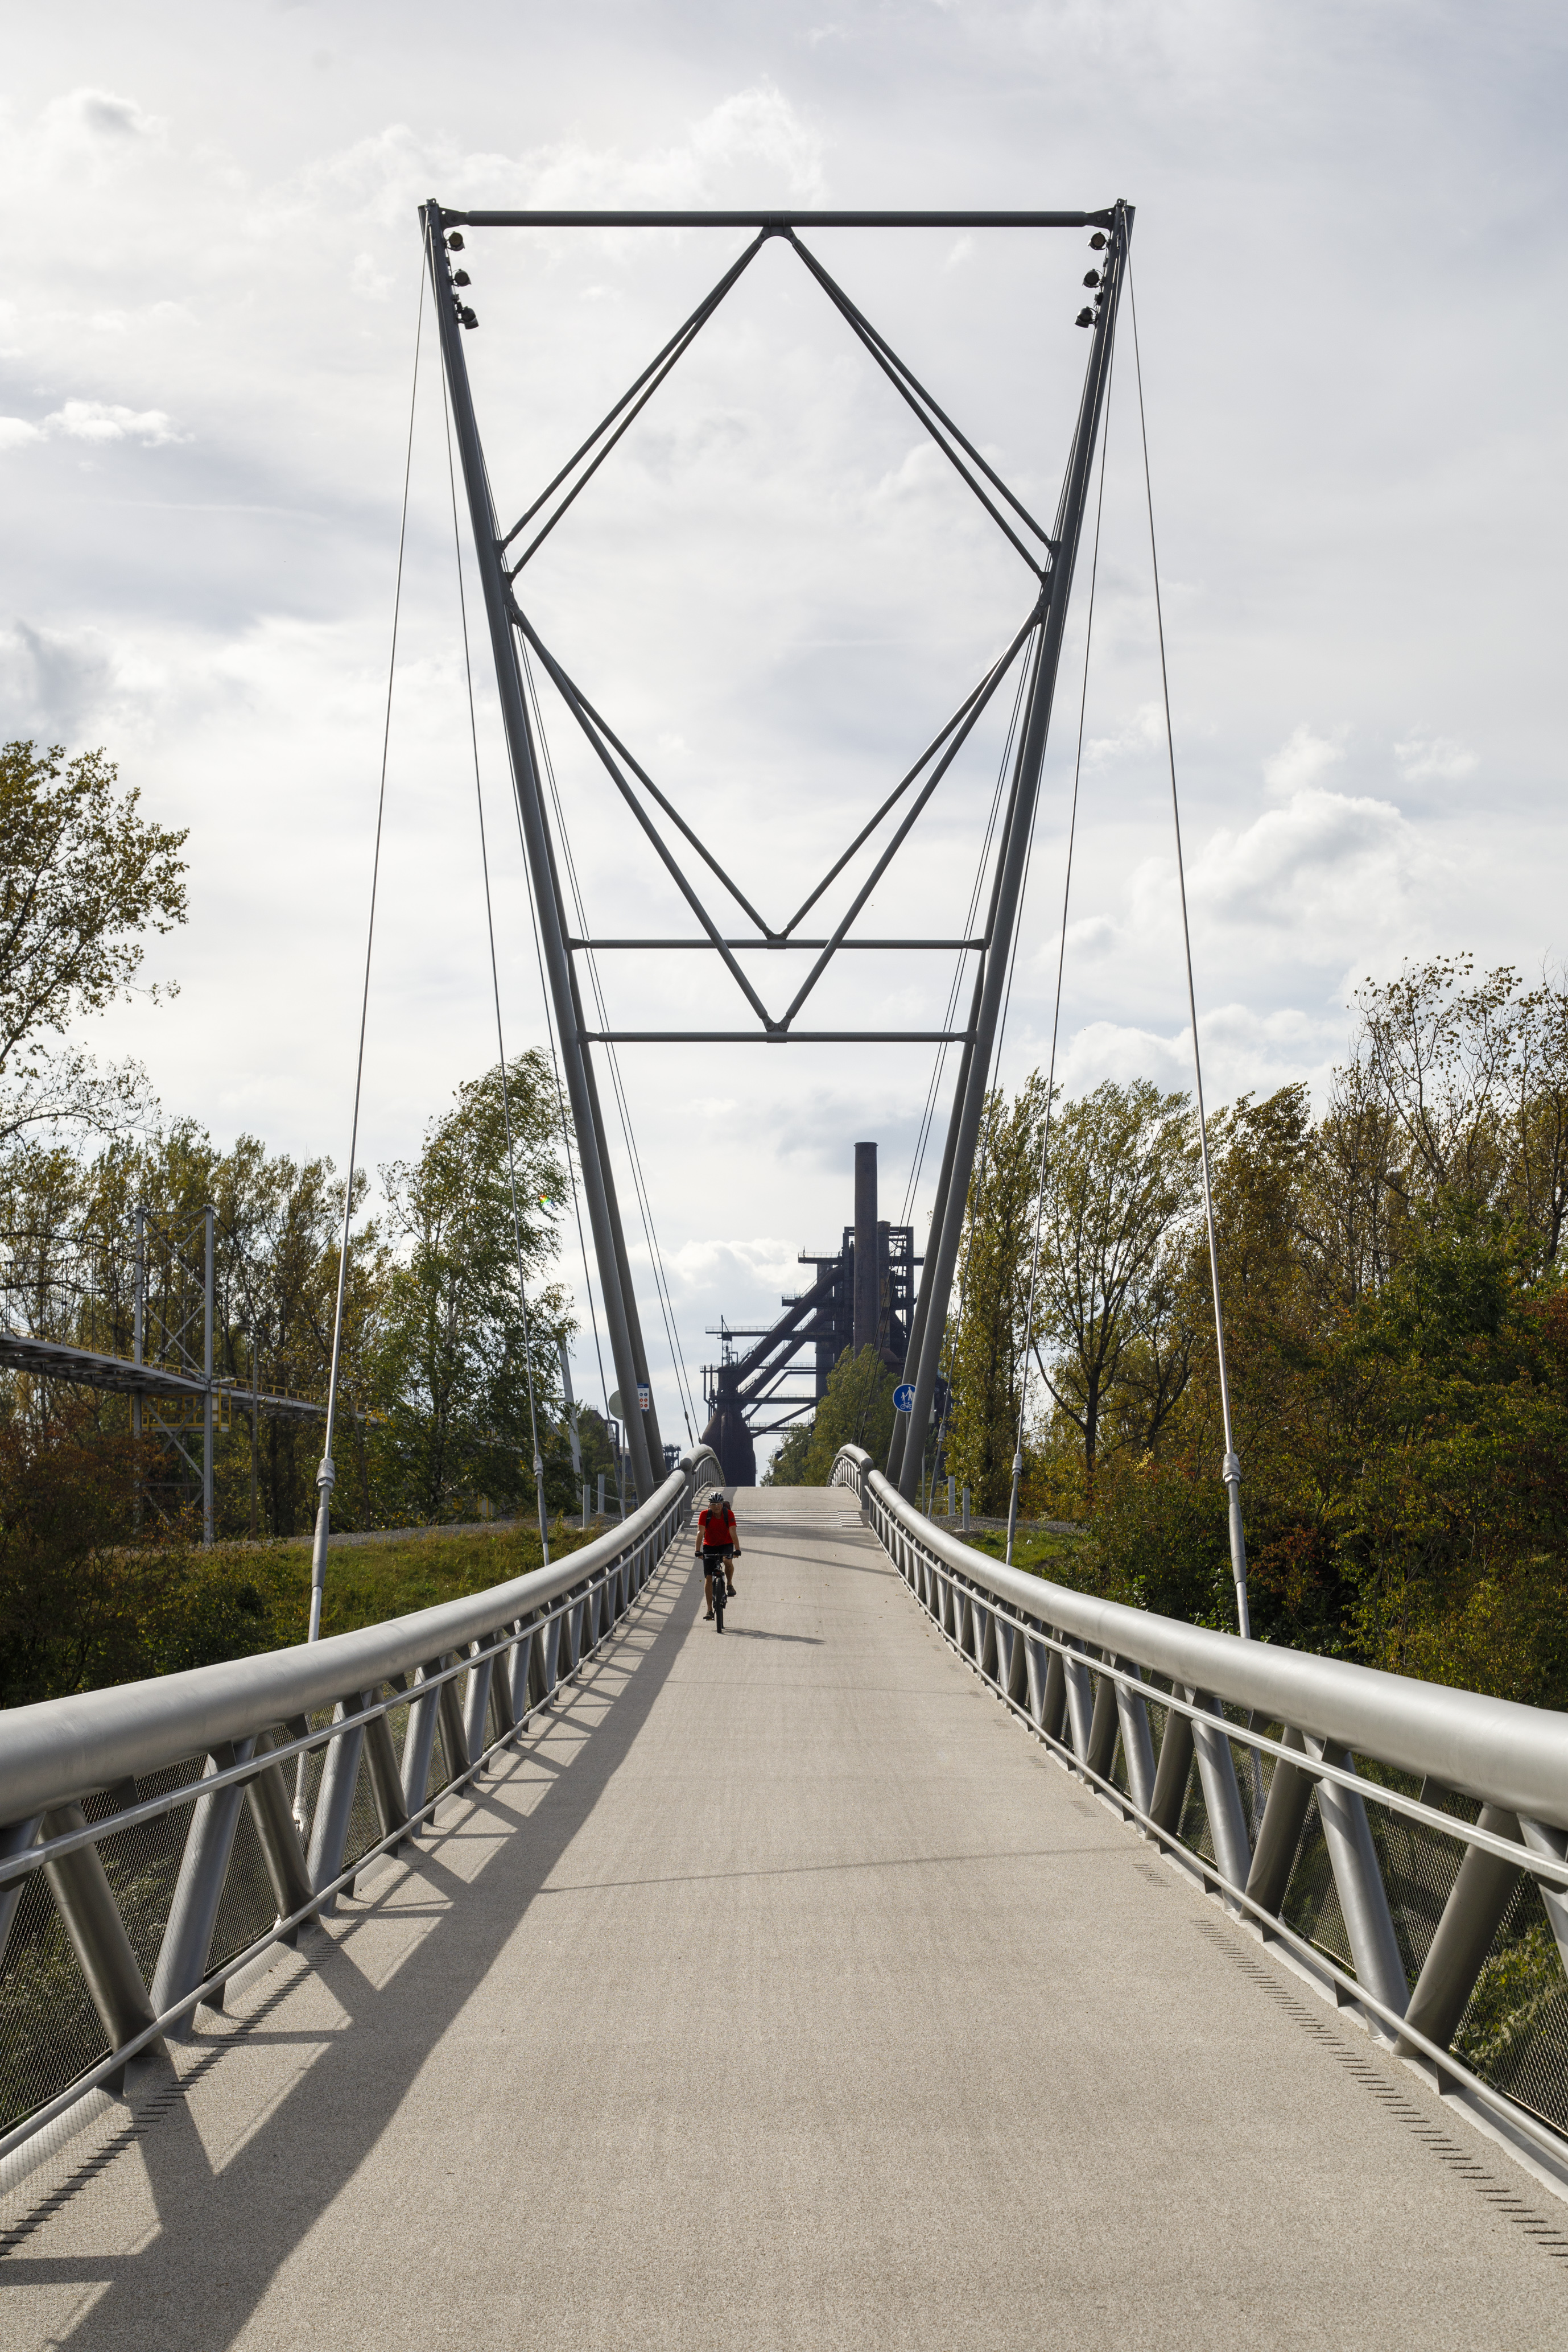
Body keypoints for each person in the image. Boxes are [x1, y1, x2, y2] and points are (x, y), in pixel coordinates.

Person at [695, 1489, 740, 1620]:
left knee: (727, 1562)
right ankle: (709, 1610)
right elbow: (700, 1532)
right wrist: (698, 1550)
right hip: (709, 1546)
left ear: (722, 1505)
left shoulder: (729, 1514)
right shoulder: (705, 1515)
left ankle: (730, 1584)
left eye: (718, 1504)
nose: (716, 1507)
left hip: (726, 1543)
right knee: (709, 1578)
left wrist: (737, 1549)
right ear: (709, 1505)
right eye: (713, 1504)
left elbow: (733, 1532)